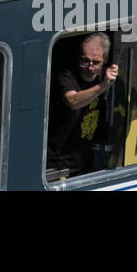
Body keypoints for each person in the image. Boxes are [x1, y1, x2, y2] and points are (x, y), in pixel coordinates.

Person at [47, 33, 122, 178]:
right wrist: (102, 86)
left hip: (87, 161)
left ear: (105, 60)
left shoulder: (105, 75)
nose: (89, 67)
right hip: (58, 166)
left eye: (96, 62)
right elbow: (73, 101)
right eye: (85, 61)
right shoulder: (67, 75)